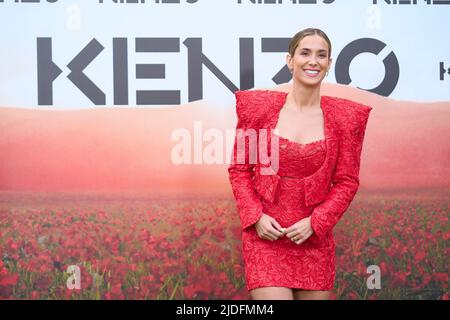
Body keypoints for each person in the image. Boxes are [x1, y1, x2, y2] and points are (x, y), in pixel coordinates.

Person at [228, 28, 372, 300]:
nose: (313, 61)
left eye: (322, 55)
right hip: (266, 238)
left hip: (313, 241)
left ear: (329, 64)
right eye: (305, 53)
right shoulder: (258, 109)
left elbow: (347, 182)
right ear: (290, 60)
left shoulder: (345, 118)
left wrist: (316, 223)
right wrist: (256, 217)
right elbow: (239, 169)